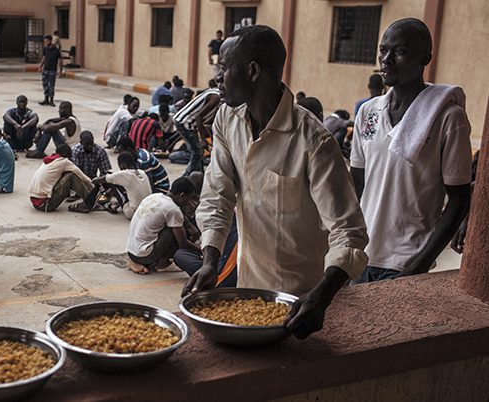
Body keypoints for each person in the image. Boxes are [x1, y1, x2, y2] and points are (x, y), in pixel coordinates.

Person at [184, 26, 369, 341]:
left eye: (223, 68)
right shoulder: (226, 121)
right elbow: (217, 196)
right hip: (248, 292)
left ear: (252, 71)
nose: (216, 78)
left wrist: (321, 297)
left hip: (302, 303)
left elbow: (349, 234)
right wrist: (210, 260)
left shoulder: (315, 143)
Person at [350, 18, 471, 283]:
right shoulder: (368, 113)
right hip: (360, 256)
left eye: (401, 51)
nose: (387, 59)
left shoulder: (448, 118)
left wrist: (419, 264)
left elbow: (459, 200)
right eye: (383, 50)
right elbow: (356, 186)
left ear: (425, 58)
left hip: (405, 261)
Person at [126, 177, 200, 274]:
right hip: (144, 256)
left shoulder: (155, 196)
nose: (189, 202)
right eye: (189, 198)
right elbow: (183, 243)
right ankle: (162, 264)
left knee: (175, 222)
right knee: (175, 229)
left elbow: (174, 213)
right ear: (182, 195)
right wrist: (201, 251)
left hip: (131, 251)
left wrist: (190, 226)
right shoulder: (173, 210)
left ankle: (138, 262)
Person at [70, 152, 152, 219]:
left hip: (133, 213)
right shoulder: (142, 173)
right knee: (116, 183)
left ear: (123, 166)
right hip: (148, 209)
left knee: (109, 180)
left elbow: (97, 181)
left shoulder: (125, 174)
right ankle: (105, 201)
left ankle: (87, 205)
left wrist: (92, 181)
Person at [173, 80, 221, 175]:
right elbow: (198, 117)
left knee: (200, 151)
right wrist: (203, 139)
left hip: (189, 124)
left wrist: (209, 137)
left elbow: (206, 122)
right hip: (184, 123)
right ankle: (186, 177)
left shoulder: (215, 93)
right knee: (197, 153)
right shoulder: (216, 97)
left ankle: (200, 176)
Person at [28, 143, 94, 212]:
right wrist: (94, 189)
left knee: (63, 175)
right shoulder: (64, 161)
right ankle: (90, 202)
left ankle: (89, 200)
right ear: (65, 154)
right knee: (71, 176)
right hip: (45, 204)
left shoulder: (50, 160)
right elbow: (83, 177)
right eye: (69, 156)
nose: (70, 158)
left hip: (35, 202)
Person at [39, 35, 63, 106]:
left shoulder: (56, 50)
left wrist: (60, 71)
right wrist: (40, 66)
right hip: (45, 69)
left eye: (47, 41)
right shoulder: (45, 49)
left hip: (52, 70)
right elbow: (44, 57)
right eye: (45, 41)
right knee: (45, 84)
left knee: (51, 85)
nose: (46, 42)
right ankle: (46, 99)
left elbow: (60, 61)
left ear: (50, 41)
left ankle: (51, 100)